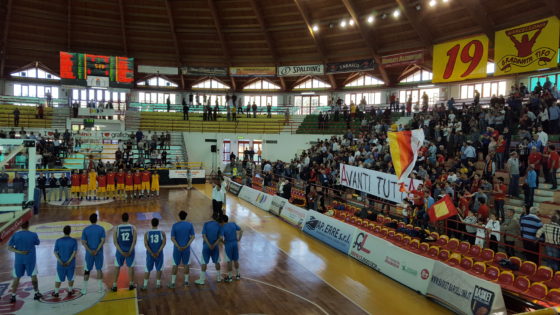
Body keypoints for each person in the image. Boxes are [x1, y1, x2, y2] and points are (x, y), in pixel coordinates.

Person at [8, 221, 41, 303]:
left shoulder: (16, 235)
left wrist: (20, 252)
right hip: (30, 260)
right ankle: (36, 293)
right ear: (28, 225)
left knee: (16, 278)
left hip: (19, 260)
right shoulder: (33, 234)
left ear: (20, 225)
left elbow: (9, 247)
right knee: (33, 277)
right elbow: (37, 243)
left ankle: (13, 296)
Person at [169, 210, 195, 288]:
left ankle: (173, 283)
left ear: (179, 216)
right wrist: (186, 245)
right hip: (186, 249)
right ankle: (186, 282)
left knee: (175, 265)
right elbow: (193, 237)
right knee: (186, 264)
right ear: (185, 216)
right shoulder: (190, 225)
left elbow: (172, 238)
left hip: (177, 249)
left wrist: (178, 246)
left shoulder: (175, 225)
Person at [195, 214, 222, 285]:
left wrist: (209, 244)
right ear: (217, 218)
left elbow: (204, 236)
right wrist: (214, 244)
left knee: (204, 262)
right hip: (215, 247)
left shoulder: (206, 224)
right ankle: (218, 277)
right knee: (217, 262)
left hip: (206, 246)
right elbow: (220, 238)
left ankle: (201, 280)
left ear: (211, 217)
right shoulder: (219, 225)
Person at [81, 213, 105, 294]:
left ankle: (84, 289)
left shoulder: (86, 229)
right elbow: (102, 241)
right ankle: (100, 289)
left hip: (89, 254)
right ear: (96, 219)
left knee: (87, 270)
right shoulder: (101, 229)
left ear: (90, 220)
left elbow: (83, 242)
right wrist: (97, 250)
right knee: (99, 269)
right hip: (99, 253)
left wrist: (90, 250)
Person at [112, 213, 137, 291]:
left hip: (120, 251)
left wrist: (121, 252)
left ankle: (115, 285)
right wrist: (130, 250)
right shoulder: (133, 228)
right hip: (130, 251)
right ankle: (131, 284)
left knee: (117, 267)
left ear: (122, 219)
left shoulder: (117, 228)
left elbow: (115, 242)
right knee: (130, 267)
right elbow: (134, 241)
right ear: (128, 218)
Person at [141, 218, 166, 290]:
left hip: (150, 255)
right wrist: (158, 252)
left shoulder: (147, 233)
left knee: (147, 269)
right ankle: (158, 284)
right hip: (159, 254)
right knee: (159, 269)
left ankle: (145, 285)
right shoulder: (162, 233)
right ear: (158, 223)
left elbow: (146, 245)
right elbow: (164, 243)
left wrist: (151, 253)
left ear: (151, 223)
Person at [53, 225, 77, 297]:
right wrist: (69, 261)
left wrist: (60, 261)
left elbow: (55, 252)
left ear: (63, 232)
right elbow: (74, 252)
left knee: (58, 278)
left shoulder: (58, 241)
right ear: (70, 232)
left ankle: (56, 292)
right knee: (71, 278)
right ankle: (70, 291)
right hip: (70, 264)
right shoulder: (73, 241)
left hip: (60, 264)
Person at [221, 214, 243, 282]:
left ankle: (230, 277)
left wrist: (223, 242)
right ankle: (238, 275)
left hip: (228, 245)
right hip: (235, 244)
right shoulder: (233, 224)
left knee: (229, 261)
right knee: (236, 260)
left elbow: (220, 238)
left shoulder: (223, 228)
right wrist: (239, 239)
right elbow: (241, 230)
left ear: (222, 221)